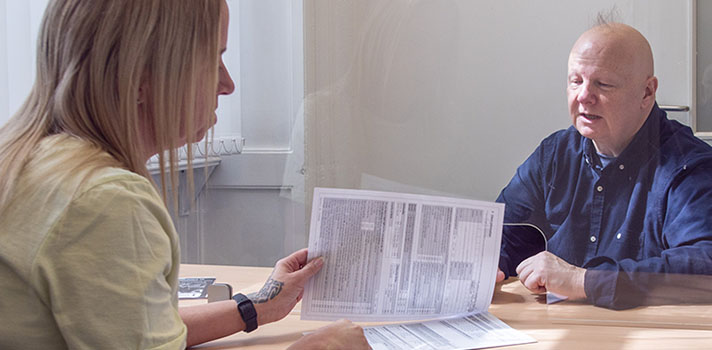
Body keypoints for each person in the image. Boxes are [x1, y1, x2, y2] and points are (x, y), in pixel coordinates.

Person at [0, 0, 370, 349]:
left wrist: (258, 306)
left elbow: (135, 330)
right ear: (140, 77)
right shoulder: (103, 201)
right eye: (213, 61)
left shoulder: (36, 163)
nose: (227, 85)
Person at [495, 21, 712, 310]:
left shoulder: (687, 167)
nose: (584, 96)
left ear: (647, 93)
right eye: (576, 81)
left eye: (603, 84)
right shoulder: (554, 154)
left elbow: (704, 265)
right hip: (554, 330)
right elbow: (503, 235)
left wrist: (583, 281)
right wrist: (487, 264)